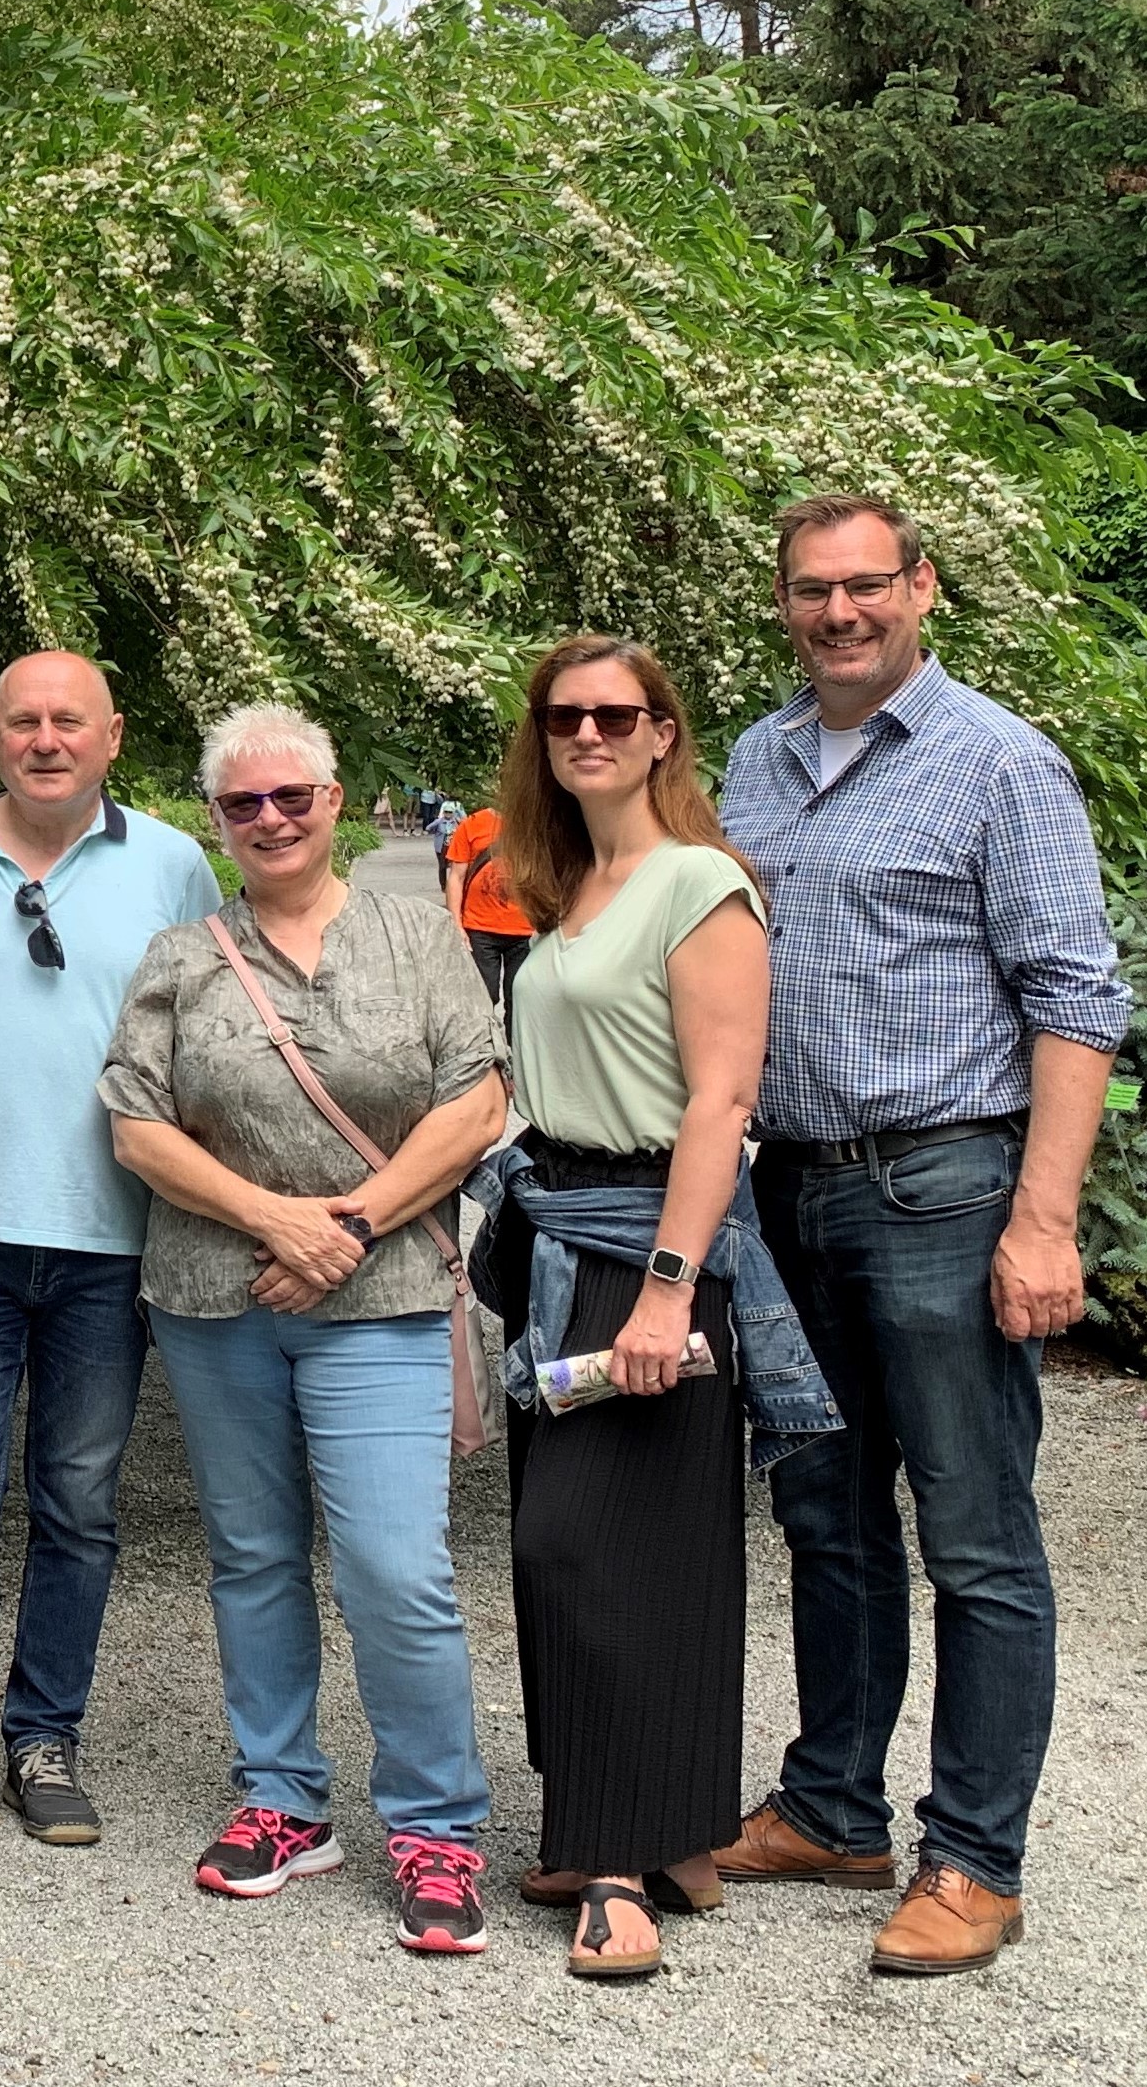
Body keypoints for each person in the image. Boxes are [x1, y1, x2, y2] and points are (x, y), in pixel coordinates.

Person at [716, 493, 1132, 1975]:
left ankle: (974, 1858)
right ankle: (834, 1807)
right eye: (811, 589)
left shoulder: (1000, 763)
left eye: (866, 584)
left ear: (922, 588)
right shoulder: (757, 760)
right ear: (784, 603)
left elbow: (1075, 995)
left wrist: (1043, 1219)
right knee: (824, 1520)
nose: (840, 612)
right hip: (790, 1191)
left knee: (975, 1535)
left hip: (944, 1191)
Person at [101, 703, 508, 1956]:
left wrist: (352, 1225)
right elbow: (136, 1124)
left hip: (380, 1301)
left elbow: (476, 1100)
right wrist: (275, 1221)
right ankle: (281, 1797)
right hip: (215, 1302)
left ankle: (435, 1824)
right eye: (244, 803)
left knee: (395, 1569)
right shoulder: (183, 955)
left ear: (333, 801)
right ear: (216, 819)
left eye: (292, 796)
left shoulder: (414, 936)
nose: (270, 819)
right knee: (252, 1556)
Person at [474, 638, 809, 1982]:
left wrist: (670, 1288)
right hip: (557, 1240)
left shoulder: (698, 884)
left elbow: (721, 1099)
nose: (590, 734)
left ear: (665, 731)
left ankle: (619, 1869)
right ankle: (655, 1828)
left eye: (618, 714)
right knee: (608, 1549)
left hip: (647, 1247)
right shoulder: (569, 886)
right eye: (566, 715)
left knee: (589, 1548)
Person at [0, 653, 218, 1854]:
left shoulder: (170, 862)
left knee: (78, 1506)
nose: (45, 739)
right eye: (24, 720)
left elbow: (206, 1044)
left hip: (110, 1238)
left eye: (69, 720)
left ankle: (44, 1738)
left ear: (113, 737)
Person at [440, 803, 536, 1031]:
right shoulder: (472, 825)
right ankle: (482, 1045)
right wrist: (456, 924)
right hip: (479, 928)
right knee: (483, 995)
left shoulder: (535, 823)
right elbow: (456, 877)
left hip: (526, 930)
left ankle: (517, 1047)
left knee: (519, 999)